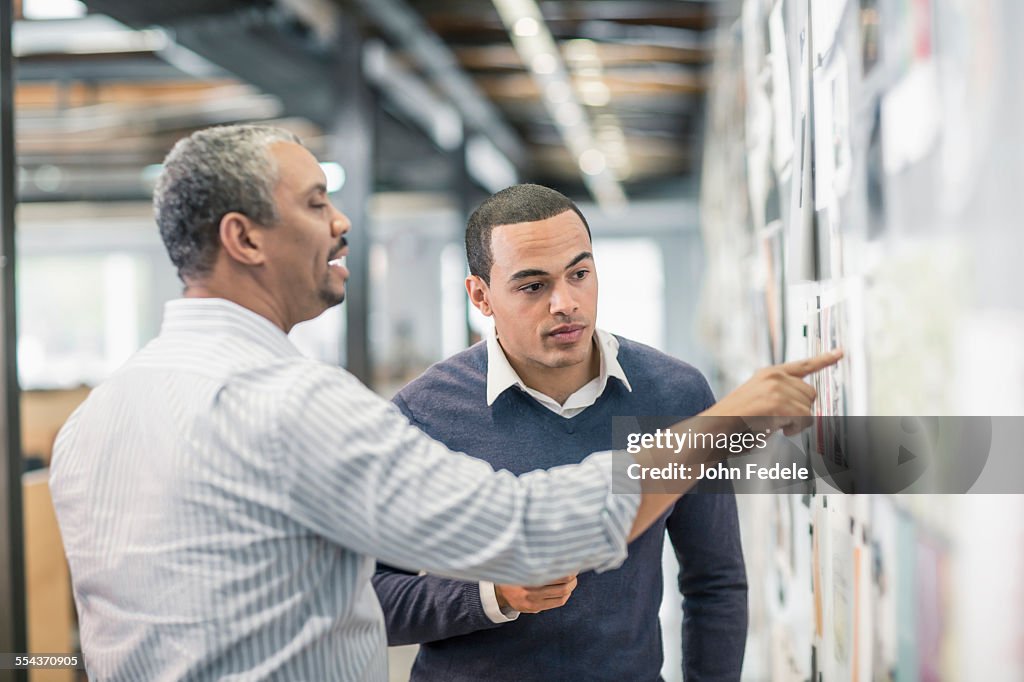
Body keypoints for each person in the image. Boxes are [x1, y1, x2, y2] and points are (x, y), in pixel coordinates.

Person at [48, 124, 839, 680]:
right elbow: (533, 528)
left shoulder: (92, 426)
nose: (344, 220)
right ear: (245, 240)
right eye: (317, 201)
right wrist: (721, 428)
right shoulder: (302, 406)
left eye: (580, 272)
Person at [373, 184, 747, 681]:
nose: (565, 303)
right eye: (533, 286)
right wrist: (492, 596)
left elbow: (715, 580)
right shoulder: (423, 414)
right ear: (480, 296)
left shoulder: (675, 396)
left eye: (580, 274)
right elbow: (367, 601)